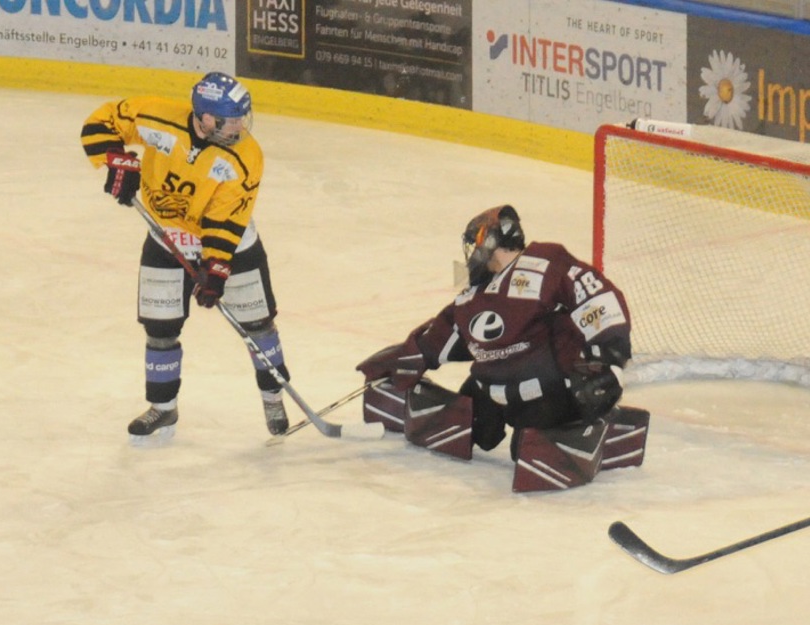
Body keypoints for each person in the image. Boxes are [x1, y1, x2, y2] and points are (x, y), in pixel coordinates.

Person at [356, 205, 648, 491]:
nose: (471, 256)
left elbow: (596, 300)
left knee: (528, 450)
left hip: (546, 392)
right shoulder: (471, 297)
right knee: (474, 429)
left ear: (490, 241)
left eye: (475, 245)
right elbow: (442, 338)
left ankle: (597, 426)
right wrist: (403, 359)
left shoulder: (546, 261)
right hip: (490, 391)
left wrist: (608, 360)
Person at [81, 72, 292, 438]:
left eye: (244, 116)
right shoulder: (157, 118)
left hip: (233, 245)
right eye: (231, 120)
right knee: (160, 330)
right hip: (166, 241)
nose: (240, 126)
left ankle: (273, 396)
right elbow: (101, 121)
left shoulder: (246, 156)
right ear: (204, 117)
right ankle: (163, 408)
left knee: (258, 325)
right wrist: (117, 160)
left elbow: (226, 219)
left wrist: (216, 268)